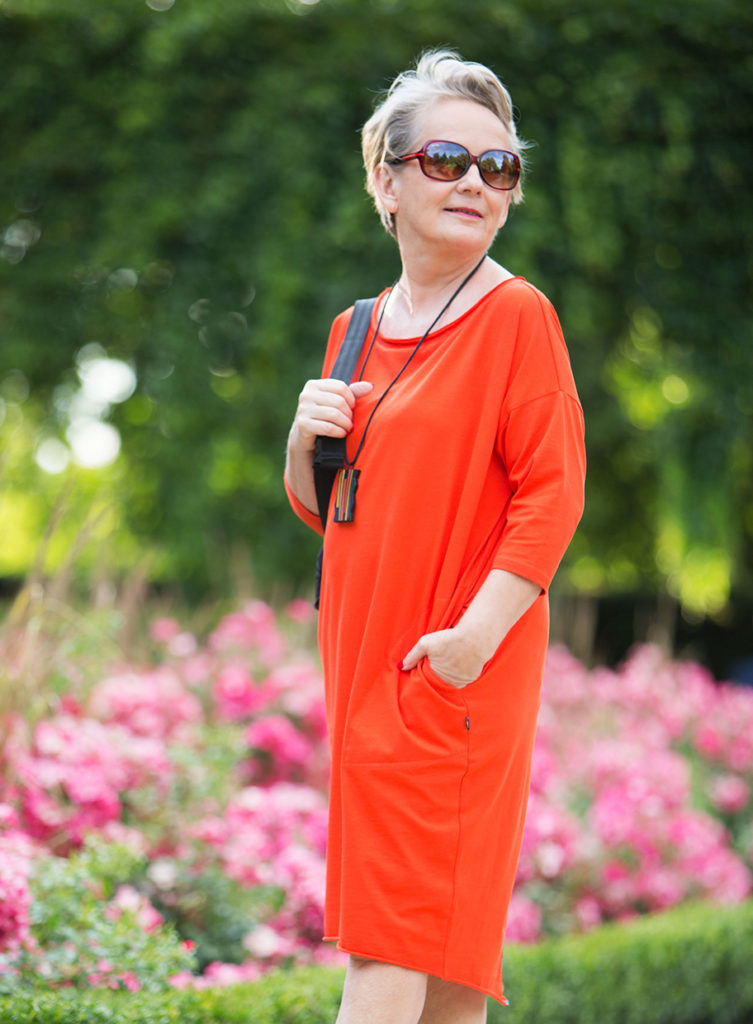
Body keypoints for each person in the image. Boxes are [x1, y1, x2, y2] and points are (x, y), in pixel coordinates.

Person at [285, 50, 586, 1024]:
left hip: (448, 676)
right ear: (387, 180)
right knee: (445, 977)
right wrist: (301, 441)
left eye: (498, 168)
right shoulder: (355, 329)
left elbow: (552, 496)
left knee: (387, 948)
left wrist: (468, 645)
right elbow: (330, 505)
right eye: (448, 160)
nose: (475, 183)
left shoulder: (516, 316)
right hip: (366, 673)